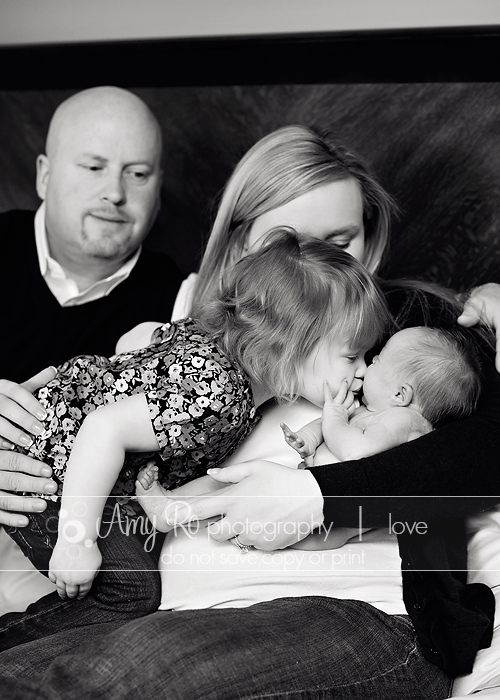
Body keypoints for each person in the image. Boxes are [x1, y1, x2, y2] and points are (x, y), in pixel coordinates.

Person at [0, 125, 500, 698]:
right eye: (288, 243)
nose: (312, 271)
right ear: (241, 246)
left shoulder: (404, 337)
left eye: (338, 244)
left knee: (116, 678)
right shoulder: (182, 318)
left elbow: (487, 442)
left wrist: (319, 496)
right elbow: (66, 385)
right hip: (165, 612)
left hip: (346, 613)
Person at [0, 231, 391, 649]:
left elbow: (134, 338)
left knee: (140, 553)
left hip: (79, 460)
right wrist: (76, 540)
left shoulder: (213, 345)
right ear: (290, 345)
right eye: (352, 357)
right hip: (46, 462)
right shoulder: (219, 395)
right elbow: (102, 428)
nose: (364, 371)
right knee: (132, 592)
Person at [0, 85, 183, 533]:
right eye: (94, 167)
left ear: (158, 188)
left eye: (137, 174)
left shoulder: (181, 305)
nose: (115, 193)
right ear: (44, 175)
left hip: (72, 548)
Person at [282, 325, 482, 466]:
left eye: (378, 360)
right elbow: (329, 423)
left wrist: (335, 416)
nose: (370, 362)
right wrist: (307, 439)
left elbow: (355, 450)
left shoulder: (406, 421)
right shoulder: (371, 411)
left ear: (400, 394)